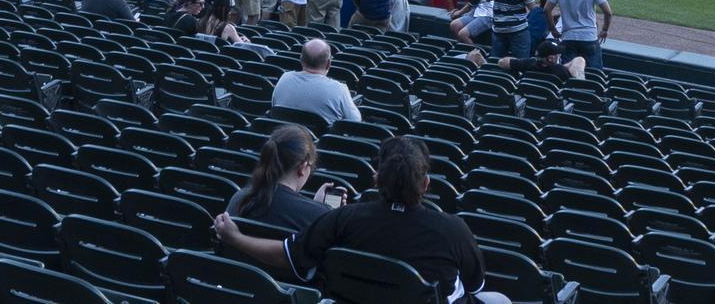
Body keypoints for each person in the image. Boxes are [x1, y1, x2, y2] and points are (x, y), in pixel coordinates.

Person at [213, 137, 500, 304]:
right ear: (425, 185)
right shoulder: (453, 230)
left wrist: (235, 238)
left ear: (376, 180)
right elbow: (475, 286)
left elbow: (288, 257)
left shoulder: (342, 219)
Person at [228, 125, 346, 233]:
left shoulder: (239, 198)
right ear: (303, 167)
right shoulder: (317, 216)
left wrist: (316, 205)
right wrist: (322, 210)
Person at [544, 0, 613, 71]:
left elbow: (546, 9)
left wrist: (553, 30)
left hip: (568, 38)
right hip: (589, 38)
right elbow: (608, 12)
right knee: (595, 74)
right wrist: (604, 30)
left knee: (568, 74)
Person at [270, 39, 359, 125]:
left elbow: (274, 107)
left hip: (283, 136)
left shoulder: (284, 78)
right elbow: (355, 122)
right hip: (319, 140)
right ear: (329, 63)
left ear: (301, 60)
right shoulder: (339, 90)